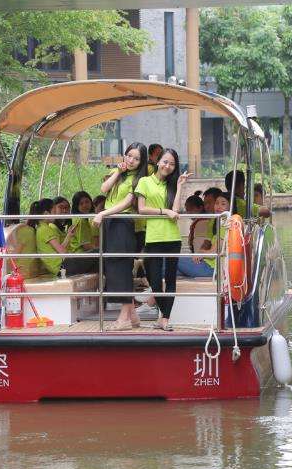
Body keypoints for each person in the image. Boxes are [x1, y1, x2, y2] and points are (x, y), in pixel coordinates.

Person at [93, 142, 148, 330]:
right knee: (113, 267)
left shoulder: (140, 180)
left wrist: (103, 214)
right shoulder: (120, 175)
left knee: (122, 269)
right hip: (110, 223)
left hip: (123, 224)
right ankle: (133, 317)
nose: (131, 160)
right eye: (129, 156)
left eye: (136, 158)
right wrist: (117, 171)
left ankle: (124, 318)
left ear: (142, 162)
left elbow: (127, 203)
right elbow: (104, 189)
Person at [135, 148, 191, 331]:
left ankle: (165, 318)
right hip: (153, 238)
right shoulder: (144, 181)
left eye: (172, 164)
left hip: (172, 238)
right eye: (165, 162)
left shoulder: (172, 184)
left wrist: (180, 185)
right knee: (154, 279)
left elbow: (174, 211)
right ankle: (163, 316)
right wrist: (163, 211)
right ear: (158, 162)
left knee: (171, 279)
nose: (168, 166)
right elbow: (141, 209)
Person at [32, 198, 97, 277]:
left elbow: (60, 249)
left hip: (61, 266)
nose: (56, 214)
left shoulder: (42, 227)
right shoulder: (45, 229)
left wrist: (69, 235)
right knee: (97, 253)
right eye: (54, 212)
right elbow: (63, 252)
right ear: (46, 213)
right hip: (62, 268)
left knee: (95, 258)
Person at [178, 192, 230, 278]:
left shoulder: (226, 225)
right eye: (217, 203)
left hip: (212, 268)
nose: (219, 206)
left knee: (173, 259)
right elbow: (207, 242)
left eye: (223, 204)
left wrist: (200, 254)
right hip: (206, 263)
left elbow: (214, 252)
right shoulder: (216, 222)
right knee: (171, 269)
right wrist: (199, 253)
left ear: (230, 207)